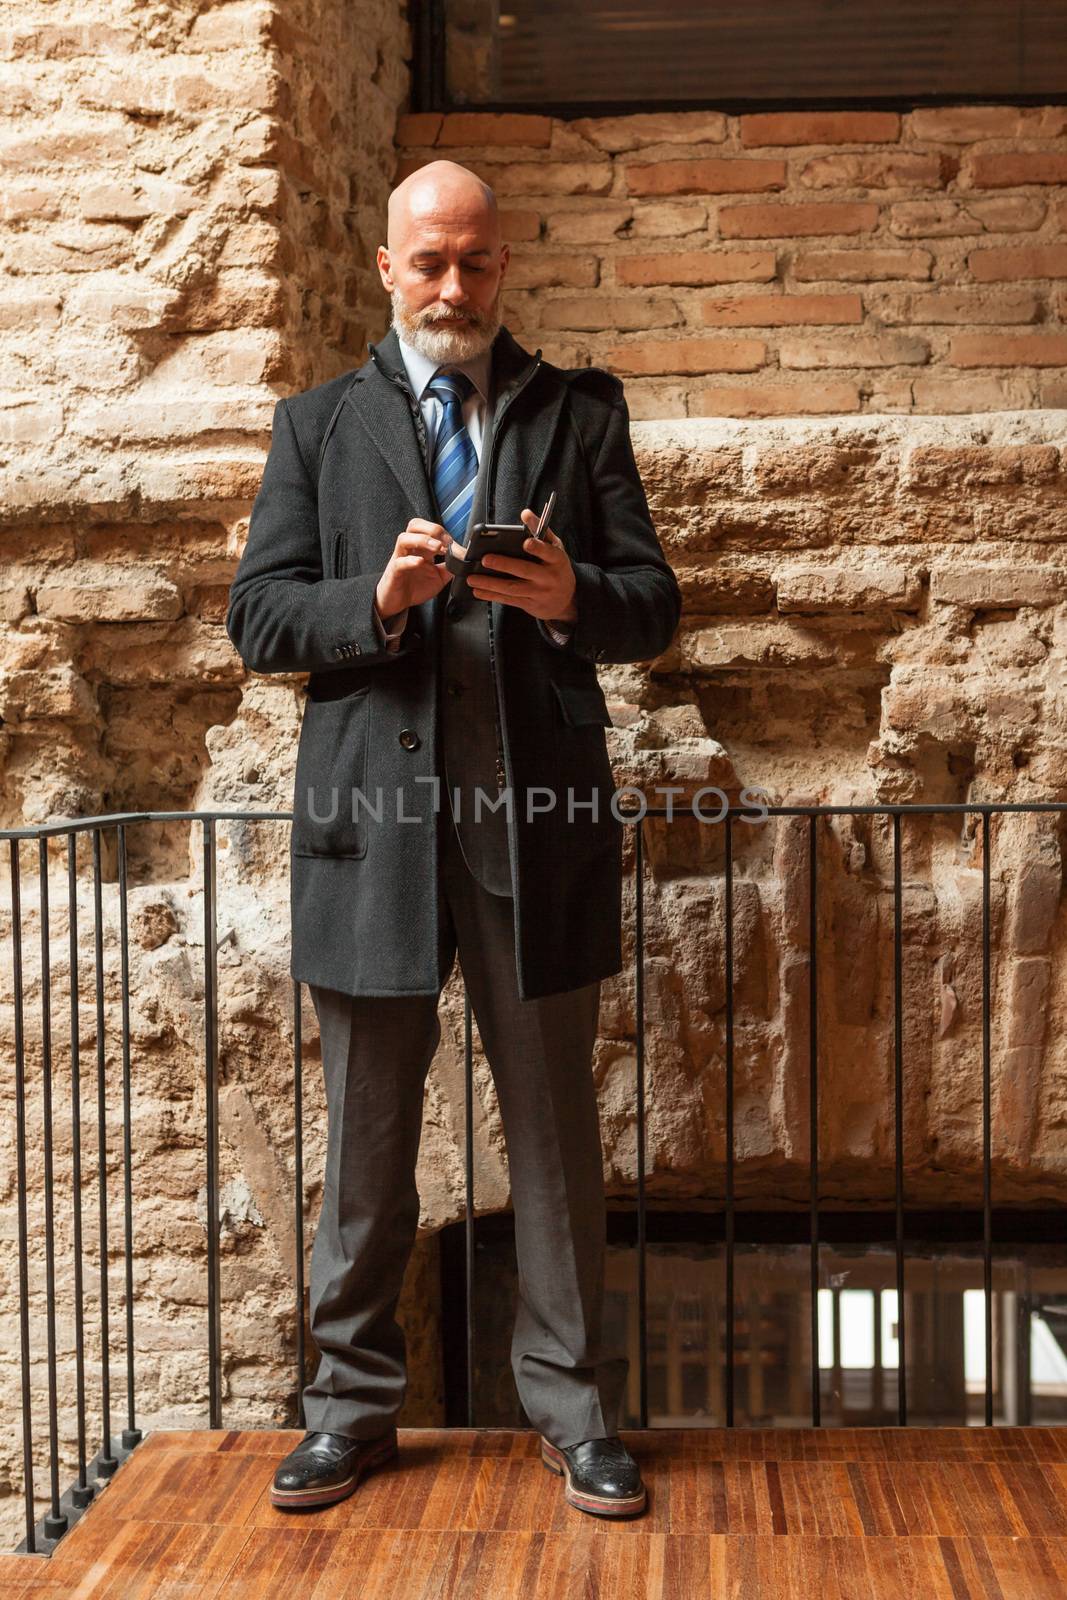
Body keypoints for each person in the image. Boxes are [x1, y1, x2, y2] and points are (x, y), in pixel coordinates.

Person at [225, 158, 681, 1520]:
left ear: (503, 264)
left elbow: (650, 604)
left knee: (553, 1142)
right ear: (386, 267)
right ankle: (349, 1412)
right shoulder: (315, 427)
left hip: (536, 836)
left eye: (475, 261)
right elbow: (259, 619)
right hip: (372, 837)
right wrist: (371, 601)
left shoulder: (579, 414)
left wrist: (568, 595)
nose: (453, 286)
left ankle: (574, 1414)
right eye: (428, 261)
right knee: (367, 1146)